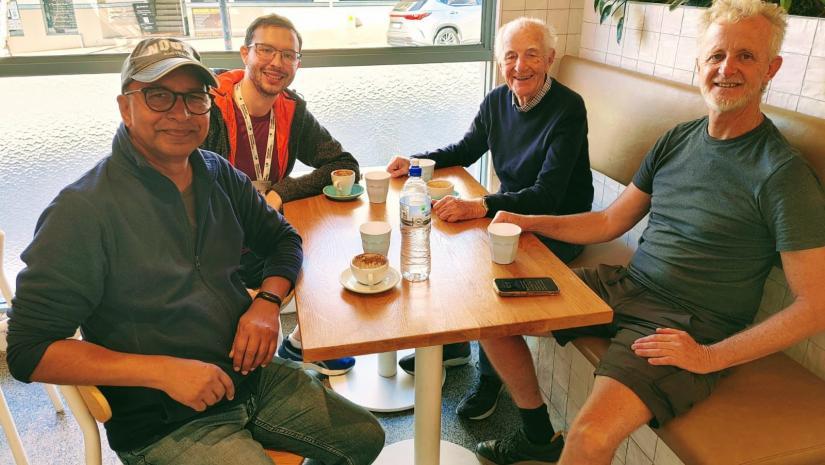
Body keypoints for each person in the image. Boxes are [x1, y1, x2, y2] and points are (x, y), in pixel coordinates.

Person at [475, 1, 825, 464]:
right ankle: (538, 435)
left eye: (746, 56)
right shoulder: (678, 139)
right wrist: (525, 221)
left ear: (771, 69)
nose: (727, 69)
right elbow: (608, 222)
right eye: (717, 56)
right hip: (626, 286)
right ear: (699, 64)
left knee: (589, 438)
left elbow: (815, 306)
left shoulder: (782, 174)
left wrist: (708, 357)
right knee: (491, 310)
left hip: (687, 323)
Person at [5, 38, 384, 465]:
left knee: (364, 438)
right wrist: (163, 371)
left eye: (194, 98)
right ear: (125, 106)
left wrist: (267, 303)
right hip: (166, 419)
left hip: (248, 378)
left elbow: (283, 240)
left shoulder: (216, 172)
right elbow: (28, 351)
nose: (181, 114)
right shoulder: (82, 211)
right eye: (159, 96)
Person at [385, 17, 593, 421]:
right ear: (500, 63)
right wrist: (415, 162)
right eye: (510, 56)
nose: (520, 66)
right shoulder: (498, 100)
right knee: (449, 241)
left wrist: (479, 207)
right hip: (509, 216)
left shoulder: (568, 108)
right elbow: (465, 148)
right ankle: (458, 344)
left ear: (549, 58)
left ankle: (490, 375)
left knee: (481, 268)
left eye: (532, 54)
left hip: (555, 225)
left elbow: (548, 195)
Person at [202, 14, 360, 376]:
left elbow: (344, 165)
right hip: (213, 246)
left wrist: (280, 192)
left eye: (288, 55)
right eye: (266, 50)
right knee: (234, 366)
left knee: (330, 246)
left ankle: (301, 342)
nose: (277, 63)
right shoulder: (209, 107)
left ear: (297, 64)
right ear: (245, 53)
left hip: (261, 238)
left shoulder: (291, 109)